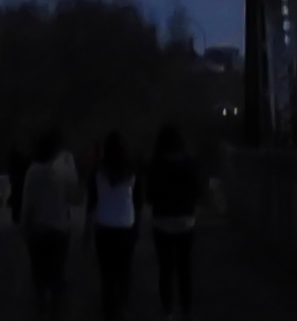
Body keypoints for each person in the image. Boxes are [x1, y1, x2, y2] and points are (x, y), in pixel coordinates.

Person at [18, 131, 85, 313]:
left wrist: (24, 229)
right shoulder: (62, 170)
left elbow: (27, 205)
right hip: (59, 231)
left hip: (37, 232)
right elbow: (76, 199)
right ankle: (56, 313)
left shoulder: (32, 171)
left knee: (39, 280)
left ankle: (40, 312)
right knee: (57, 279)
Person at [145, 126, 206, 317]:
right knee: (184, 267)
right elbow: (198, 191)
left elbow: (149, 196)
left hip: (162, 221)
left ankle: (167, 311)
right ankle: (186, 309)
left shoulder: (156, 164)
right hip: (185, 221)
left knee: (165, 268)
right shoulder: (190, 163)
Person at [88, 132, 141, 315]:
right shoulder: (132, 171)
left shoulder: (98, 171)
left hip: (103, 226)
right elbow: (138, 201)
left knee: (107, 273)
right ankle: (123, 304)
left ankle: (108, 308)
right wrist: (137, 228)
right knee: (124, 269)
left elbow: (92, 201)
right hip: (126, 224)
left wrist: (87, 230)